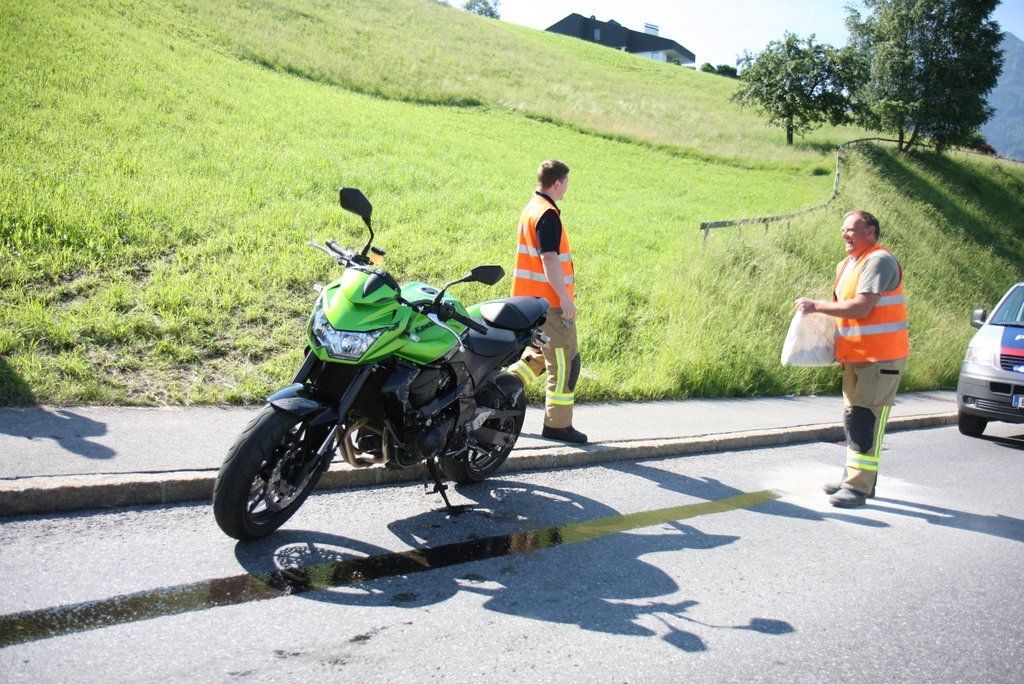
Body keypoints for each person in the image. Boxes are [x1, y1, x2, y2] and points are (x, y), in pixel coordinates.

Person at [795, 210, 909, 508]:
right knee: (854, 420)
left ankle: (858, 487)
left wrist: (816, 306)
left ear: (870, 231)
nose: (844, 234)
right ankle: (853, 478)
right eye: (843, 229)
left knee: (865, 421)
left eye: (851, 229)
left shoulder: (878, 260)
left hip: (880, 358)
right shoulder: (849, 264)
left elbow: (861, 307)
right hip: (856, 356)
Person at [507, 160, 587, 444]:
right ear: (556, 183)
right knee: (566, 362)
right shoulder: (548, 214)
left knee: (540, 354)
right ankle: (558, 425)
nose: (566, 188)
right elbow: (549, 259)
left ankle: (501, 390)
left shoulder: (530, 208)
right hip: (550, 304)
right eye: (566, 183)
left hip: (527, 302)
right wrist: (564, 298)